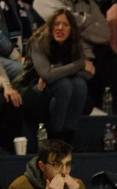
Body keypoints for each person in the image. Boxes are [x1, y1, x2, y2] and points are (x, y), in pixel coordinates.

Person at [16, 8, 91, 143]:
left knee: (79, 85)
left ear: (71, 29)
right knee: (65, 85)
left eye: (65, 24)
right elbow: (47, 75)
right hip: (33, 91)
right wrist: (78, 65)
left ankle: (68, 136)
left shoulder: (74, 44)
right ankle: (55, 137)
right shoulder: (38, 42)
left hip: (55, 90)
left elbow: (88, 74)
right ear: (50, 26)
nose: (60, 28)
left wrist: (59, 70)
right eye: (56, 24)